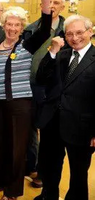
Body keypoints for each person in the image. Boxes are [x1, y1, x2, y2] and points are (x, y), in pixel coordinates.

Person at [0, 0, 52, 200]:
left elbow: (46, 26)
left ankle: (12, 192)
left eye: (17, 25)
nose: (12, 28)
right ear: (3, 26)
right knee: (0, 147)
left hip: (20, 105)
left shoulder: (27, 45)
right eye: (9, 24)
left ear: (22, 27)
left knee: (16, 150)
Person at [35, 15, 95, 200]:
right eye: (69, 34)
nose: (74, 38)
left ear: (91, 32)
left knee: (78, 174)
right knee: (49, 167)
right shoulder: (60, 55)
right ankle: (48, 196)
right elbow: (41, 78)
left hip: (82, 128)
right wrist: (52, 52)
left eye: (79, 32)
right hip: (53, 123)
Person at [23, 0, 66, 188]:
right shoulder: (32, 28)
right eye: (50, 3)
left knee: (49, 135)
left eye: (57, 2)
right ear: (42, 6)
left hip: (53, 91)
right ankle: (31, 165)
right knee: (30, 130)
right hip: (31, 86)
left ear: (62, 6)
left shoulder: (69, 29)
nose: (53, 6)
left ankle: (43, 171)